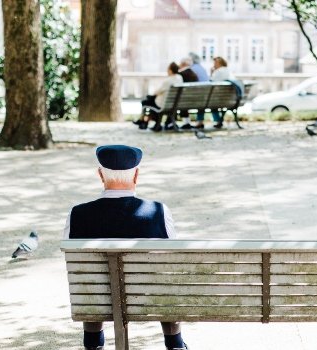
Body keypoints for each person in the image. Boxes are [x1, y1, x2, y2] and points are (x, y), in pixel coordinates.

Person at [64, 145, 188, 350]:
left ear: (100, 175)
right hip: (151, 299)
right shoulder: (158, 211)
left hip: (97, 300)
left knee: (92, 280)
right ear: (136, 175)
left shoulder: (77, 214)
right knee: (165, 278)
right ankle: (174, 344)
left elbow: (75, 262)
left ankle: (93, 343)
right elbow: (170, 258)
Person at [137, 62, 183, 132]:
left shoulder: (168, 81)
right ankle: (144, 121)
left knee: (146, 101)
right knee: (149, 101)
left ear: (170, 70)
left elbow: (157, 92)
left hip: (163, 104)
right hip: (174, 104)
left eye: (168, 69)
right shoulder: (180, 78)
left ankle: (143, 121)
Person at [195, 56, 235, 129]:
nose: (214, 64)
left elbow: (210, 83)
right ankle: (218, 121)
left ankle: (200, 121)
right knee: (212, 102)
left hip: (217, 98)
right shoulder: (228, 71)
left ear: (219, 63)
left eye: (215, 63)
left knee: (203, 102)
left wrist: (212, 73)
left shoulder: (218, 71)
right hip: (228, 99)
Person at [175, 57, 199, 130]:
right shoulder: (194, 74)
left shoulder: (180, 74)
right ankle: (187, 122)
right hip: (194, 100)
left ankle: (171, 122)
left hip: (183, 100)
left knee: (178, 99)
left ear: (183, 64)